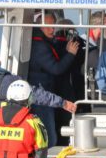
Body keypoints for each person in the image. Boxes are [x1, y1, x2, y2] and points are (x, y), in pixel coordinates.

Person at [0, 52, 75, 128]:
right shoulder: (15, 81)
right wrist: (63, 103)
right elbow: (38, 95)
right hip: (12, 132)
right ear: (0, 64)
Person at [29, 12, 80, 147]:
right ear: (40, 26)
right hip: (41, 97)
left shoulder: (42, 42)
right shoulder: (39, 47)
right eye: (48, 26)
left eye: (53, 26)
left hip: (44, 93)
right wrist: (70, 54)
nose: (52, 30)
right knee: (49, 136)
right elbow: (56, 69)